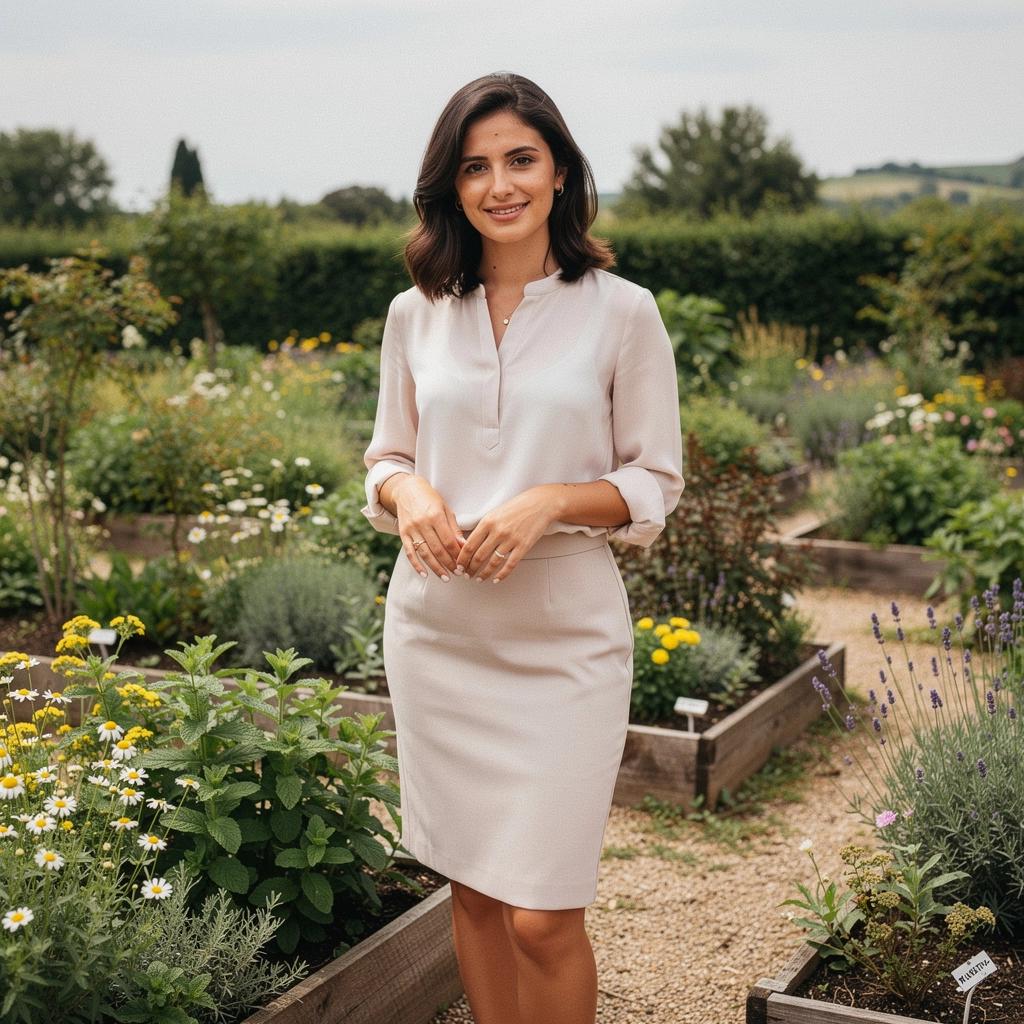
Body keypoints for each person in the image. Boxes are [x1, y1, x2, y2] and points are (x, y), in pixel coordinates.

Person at [361, 71, 684, 1024]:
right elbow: (384, 455)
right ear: (450, 187)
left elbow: (654, 483)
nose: (499, 184)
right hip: (438, 632)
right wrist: (407, 487)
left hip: (563, 640)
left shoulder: (625, 312)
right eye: (475, 166)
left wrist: (549, 501)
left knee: (544, 916)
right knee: (473, 889)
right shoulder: (412, 314)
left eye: (520, 160)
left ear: (560, 174)